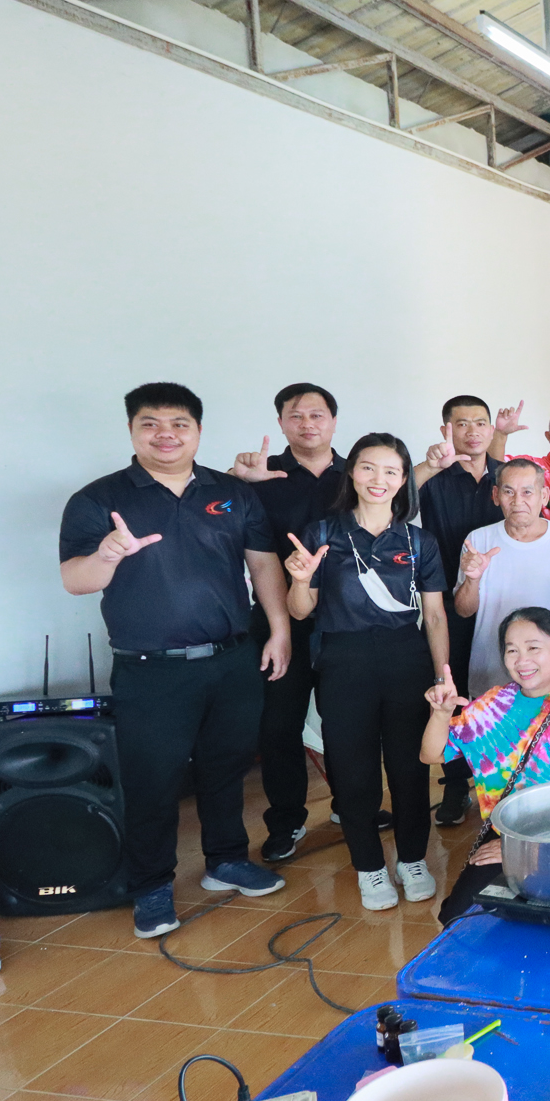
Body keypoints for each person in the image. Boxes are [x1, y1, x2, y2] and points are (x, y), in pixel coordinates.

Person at [59, 383, 291, 938]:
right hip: (151, 668)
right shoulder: (97, 499)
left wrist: (279, 629)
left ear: (198, 431)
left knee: (227, 766)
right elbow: (75, 580)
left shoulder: (231, 493)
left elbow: (263, 565)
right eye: (151, 423)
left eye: (179, 424)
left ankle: (225, 860)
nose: (166, 434)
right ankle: (151, 884)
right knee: (153, 779)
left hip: (231, 657)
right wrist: (108, 554)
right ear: (132, 430)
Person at [283, 433, 448, 910]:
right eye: (369, 468)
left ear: (404, 480)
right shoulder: (322, 533)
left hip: (406, 658)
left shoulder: (419, 541)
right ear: (352, 472)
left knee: (410, 767)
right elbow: (300, 611)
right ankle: (370, 867)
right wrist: (300, 580)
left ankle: (412, 859)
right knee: (353, 770)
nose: (379, 479)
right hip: (343, 660)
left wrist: (442, 675)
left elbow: (435, 616)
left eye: (391, 471)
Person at [425, 607, 550, 924]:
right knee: (458, 918)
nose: (522, 660)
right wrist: (441, 715)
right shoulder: (491, 706)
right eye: (512, 650)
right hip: (506, 837)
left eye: (533, 647)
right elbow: (431, 754)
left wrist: (527, 849)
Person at [226, 383, 346, 861]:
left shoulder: (356, 474)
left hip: (346, 620)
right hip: (280, 618)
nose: (307, 423)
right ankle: (286, 820)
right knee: (279, 724)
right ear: (280, 423)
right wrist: (238, 479)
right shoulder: (263, 476)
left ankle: (351, 805)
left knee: (346, 720)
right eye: (296, 416)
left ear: (333, 421)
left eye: (317, 414)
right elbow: (208, 504)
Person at [414, 394, 505, 827]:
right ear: (445, 430)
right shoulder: (433, 478)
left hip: (503, 602)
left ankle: (503, 777)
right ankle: (455, 784)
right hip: (448, 605)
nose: (472, 431)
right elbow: (392, 499)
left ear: (491, 429)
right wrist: (429, 465)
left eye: (480, 422)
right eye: (462, 423)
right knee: (452, 690)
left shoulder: (504, 476)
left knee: (498, 691)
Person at [455, 458, 550, 697]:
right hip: (490, 677)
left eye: (527, 492)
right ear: (496, 495)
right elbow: (463, 611)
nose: (518, 501)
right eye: (509, 492)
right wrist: (472, 579)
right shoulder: (478, 540)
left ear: (544, 495)